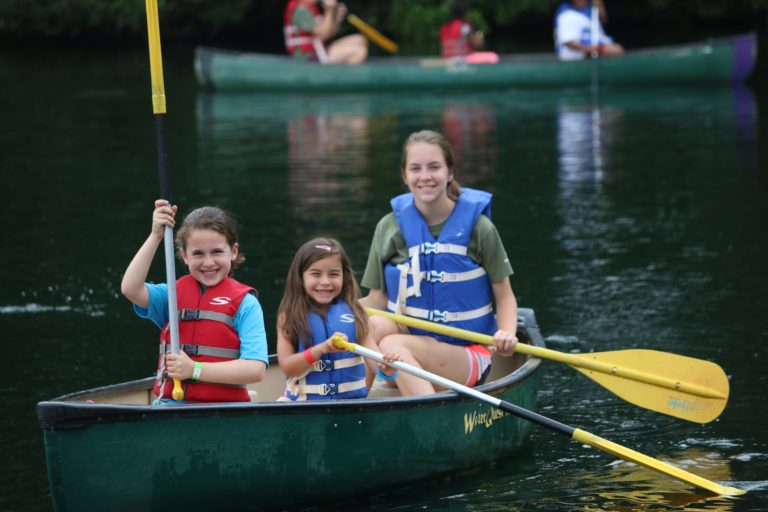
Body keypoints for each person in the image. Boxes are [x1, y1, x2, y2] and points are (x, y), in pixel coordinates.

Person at [359, 130, 518, 397]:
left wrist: (507, 334)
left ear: (450, 172)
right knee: (366, 327)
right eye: (415, 168)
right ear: (404, 176)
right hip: (412, 338)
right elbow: (375, 302)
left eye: (434, 167)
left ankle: (427, 417)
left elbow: (505, 297)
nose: (425, 177)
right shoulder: (389, 227)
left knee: (393, 343)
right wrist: (328, 314)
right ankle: (349, 404)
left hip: (467, 353)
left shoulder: (480, 228)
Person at [121, 200, 268, 403]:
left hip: (226, 413)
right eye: (198, 253)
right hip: (171, 407)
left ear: (233, 251)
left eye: (216, 252)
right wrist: (156, 235)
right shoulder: (171, 296)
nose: (208, 262)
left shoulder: (246, 304)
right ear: (184, 256)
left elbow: (256, 369)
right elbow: (130, 288)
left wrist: (194, 370)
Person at [276, 237, 400, 401]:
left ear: (344, 276)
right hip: (305, 410)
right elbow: (288, 367)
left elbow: (375, 364)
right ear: (300, 277)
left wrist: (387, 369)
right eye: (316, 274)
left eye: (334, 274)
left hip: (350, 409)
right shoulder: (288, 317)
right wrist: (322, 349)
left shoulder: (357, 313)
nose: (325, 282)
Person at [283, 0, 368, 64]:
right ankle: (343, 84)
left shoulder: (309, 9)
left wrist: (338, 17)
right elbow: (324, 34)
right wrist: (329, 10)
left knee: (360, 39)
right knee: (359, 51)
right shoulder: (301, 10)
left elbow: (328, 33)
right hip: (308, 59)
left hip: (318, 51)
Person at [554, 0, 624, 61]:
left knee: (616, 49)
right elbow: (568, 42)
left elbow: (603, 21)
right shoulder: (567, 15)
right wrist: (593, 49)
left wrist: (599, 5)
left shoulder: (589, 11)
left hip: (594, 52)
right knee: (615, 50)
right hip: (578, 57)